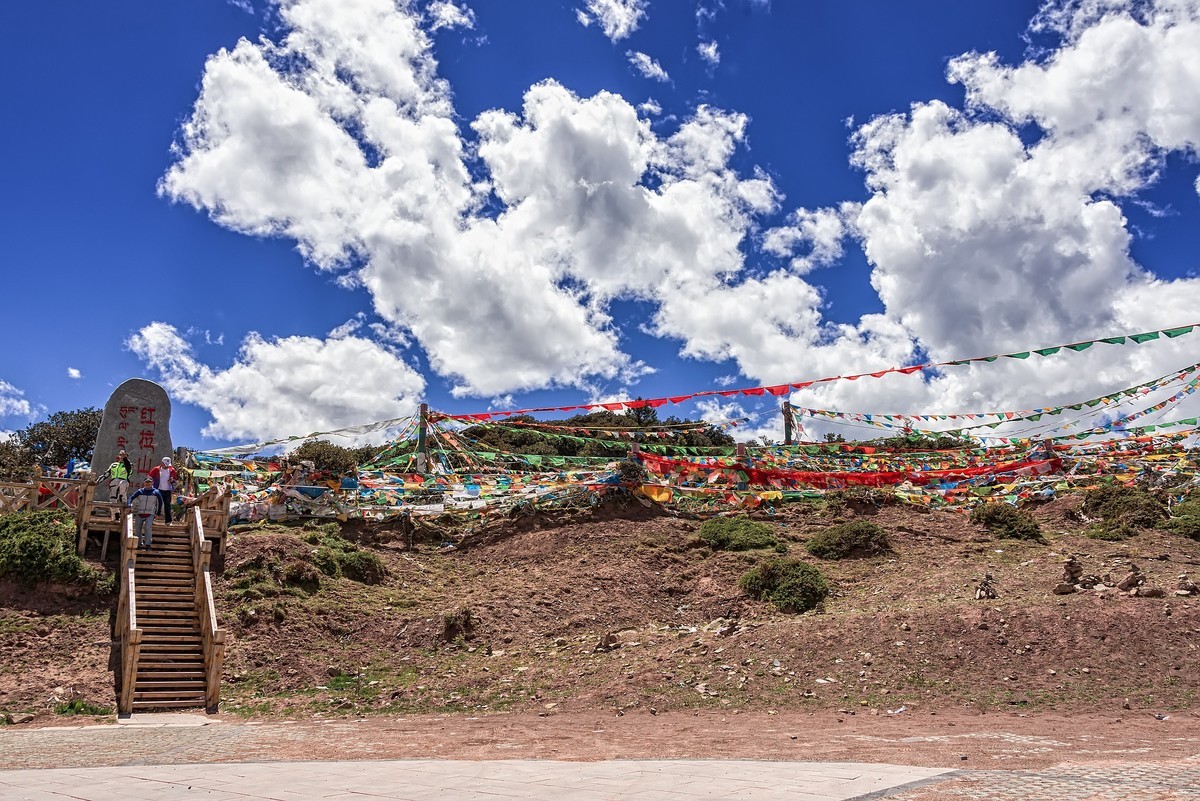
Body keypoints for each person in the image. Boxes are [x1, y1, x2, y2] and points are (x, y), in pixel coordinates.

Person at [127, 477, 163, 549]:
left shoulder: (156, 492)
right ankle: (139, 544)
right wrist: (129, 505)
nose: (148, 484)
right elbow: (131, 498)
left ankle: (148, 544)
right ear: (144, 483)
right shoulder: (140, 491)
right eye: (146, 482)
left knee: (148, 527)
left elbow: (160, 502)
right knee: (137, 529)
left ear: (152, 483)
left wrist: (158, 513)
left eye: (149, 482)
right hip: (139, 512)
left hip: (150, 513)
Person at [148, 457, 178, 523]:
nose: (167, 466)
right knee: (156, 505)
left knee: (167, 506)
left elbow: (175, 480)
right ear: (162, 463)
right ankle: (152, 519)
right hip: (158, 490)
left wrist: (172, 480)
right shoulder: (156, 469)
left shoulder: (172, 470)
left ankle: (168, 521)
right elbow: (149, 477)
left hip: (167, 490)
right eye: (165, 464)